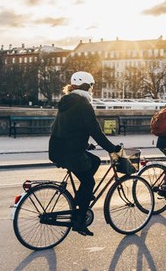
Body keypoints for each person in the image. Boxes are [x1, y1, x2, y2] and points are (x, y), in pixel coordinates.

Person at [48, 71, 122, 236]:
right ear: (88, 86)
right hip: (70, 153)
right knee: (88, 183)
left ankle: (80, 200)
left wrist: (84, 144)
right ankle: (79, 220)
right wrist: (111, 148)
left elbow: (66, 127)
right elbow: (95, 130)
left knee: (94, 162)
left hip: (57, 149)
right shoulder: (83, 103)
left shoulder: (66, 101)